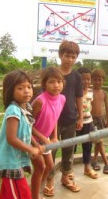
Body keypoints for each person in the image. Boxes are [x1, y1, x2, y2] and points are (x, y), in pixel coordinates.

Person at [0, 70, 42, 199]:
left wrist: (36, 145)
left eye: (29, 87)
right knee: (22, 195)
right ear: (10, 91)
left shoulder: (25, 108)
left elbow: (27, 133)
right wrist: (30, 149)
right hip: (10, 163)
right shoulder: (13, 110)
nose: (27, 91)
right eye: (20, 88)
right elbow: (12, 139)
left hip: (15, 161)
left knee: (7, 195)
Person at [48, 40, 83, 193]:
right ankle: (49, 179)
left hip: (70, 119)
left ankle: (65, 176)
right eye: (67, 55)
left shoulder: (76, 77)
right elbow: (45, 95)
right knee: (51, 151)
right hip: (52, 120)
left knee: (69, 150)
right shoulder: (52, 74)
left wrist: (80, 117)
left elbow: (79, 97)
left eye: (73, 56)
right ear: (60, 55)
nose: (70, 59)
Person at [30, 67, 66, 198]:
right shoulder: (40, 101)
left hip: (45, 139)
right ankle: (34, 196)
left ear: (63, 83)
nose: (56, 85)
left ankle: (34, 189)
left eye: (59, 81)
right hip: (32, 138)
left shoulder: (62, 99)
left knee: (50, 165)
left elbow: (55, 118)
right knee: (40, 168)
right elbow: (27, 125)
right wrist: (43, 138)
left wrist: (54, 136)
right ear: (44, 84)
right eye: (51, 82)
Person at [74, 67, 98, 179]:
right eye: (83, 79)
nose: (86, 82)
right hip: (75, 123)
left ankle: (87, 168)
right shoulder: (73, 92)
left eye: (88, 79)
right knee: (71, 146)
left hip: (88, 122)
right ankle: (68, 170)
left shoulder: (90, 92)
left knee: (87, 146)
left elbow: (90, 105)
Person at [90, 69, 108, 174]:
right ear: (91, 80)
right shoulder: (89, 92)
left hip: (101, 119)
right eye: (95, 80)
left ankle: (94, 161)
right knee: (99, 141)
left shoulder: (104, 93)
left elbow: (107, 107)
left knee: (98, 141)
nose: (97, 82)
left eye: (100, 80)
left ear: (103, 80)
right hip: (92, 120)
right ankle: (106, 163)